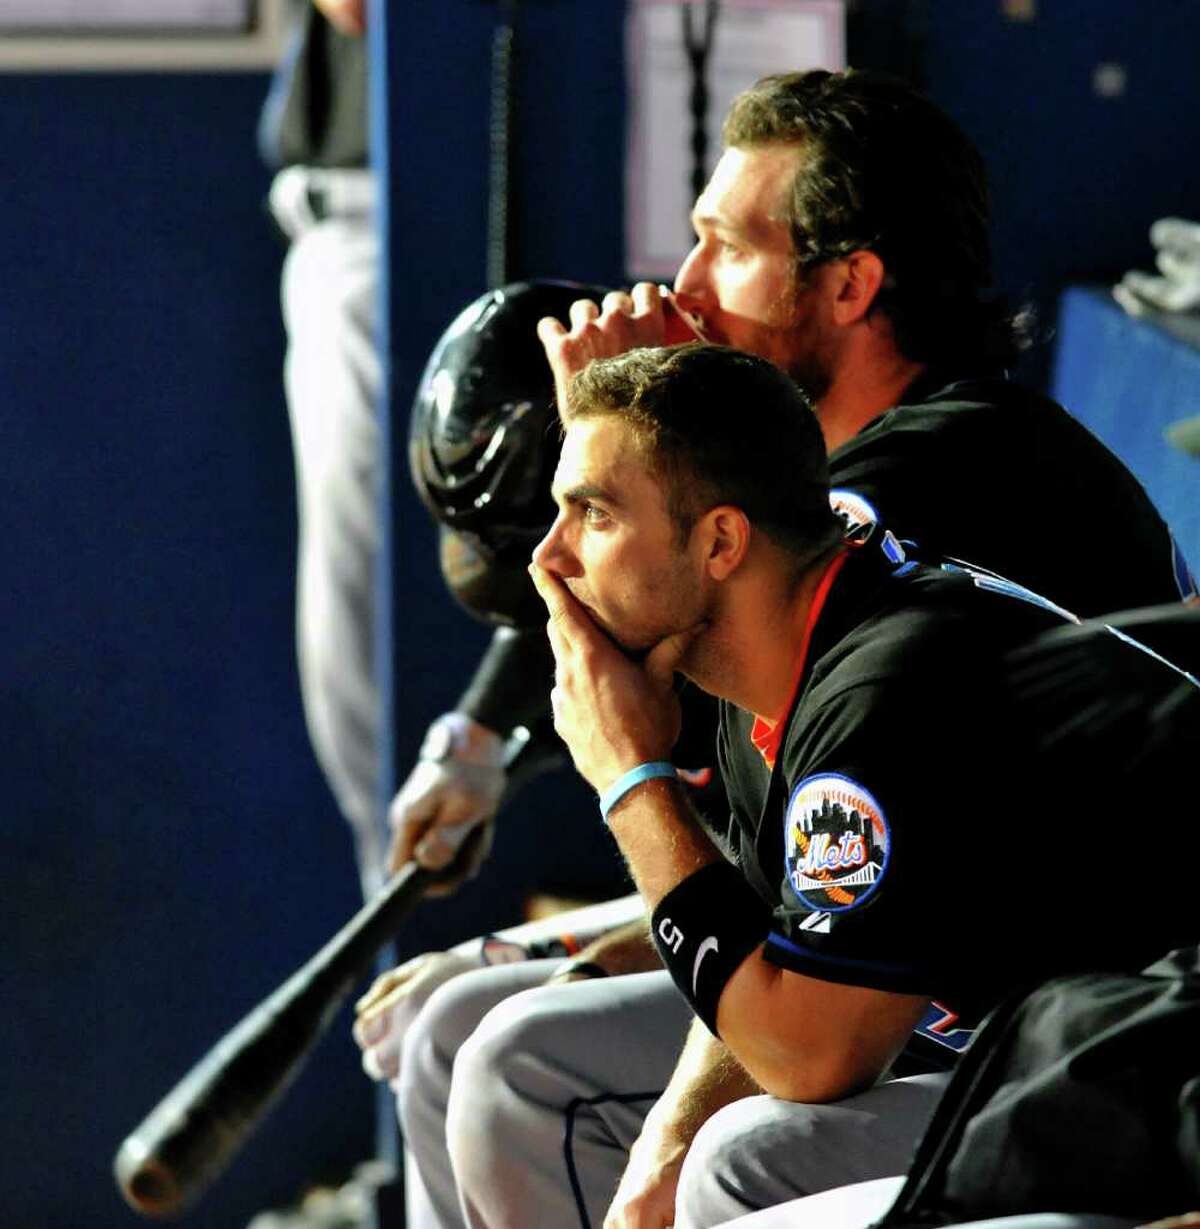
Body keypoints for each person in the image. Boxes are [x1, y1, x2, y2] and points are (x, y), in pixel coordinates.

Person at [359, 68, 1197, 1229]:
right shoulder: (799, 521)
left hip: (1102, 1021)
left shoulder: (915, 498)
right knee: (487, 1036)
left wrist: (633, 430)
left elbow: (781, 897)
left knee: (697, 1140)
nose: (684, 287)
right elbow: (759, 823)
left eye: (724, 247)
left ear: (849, 283)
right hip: (935, 971)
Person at [517, 342, 1199, 1229]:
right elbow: (779, 966)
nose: (548, 556)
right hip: (1076, 1057)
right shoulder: (767, 676)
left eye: (592, 514)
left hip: (1167, 1066)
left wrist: (630, 779)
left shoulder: (883, 686)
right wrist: (665, 1137)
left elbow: (811, 1053)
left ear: (721, 540)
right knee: (730, 1151)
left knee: (738, 1164)